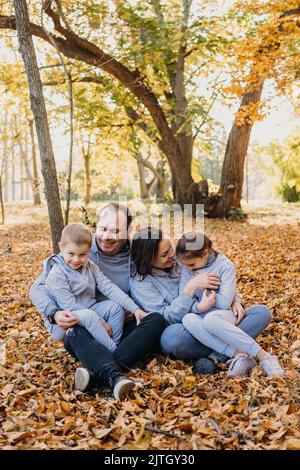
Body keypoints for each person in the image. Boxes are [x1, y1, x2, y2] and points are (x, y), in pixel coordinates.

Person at [29, 204, 167, 400]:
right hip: (80, 326)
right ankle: (115, 375)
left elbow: (112, 287)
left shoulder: (137, 254)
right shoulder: (79, 245)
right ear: (96, 226)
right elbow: (37, 289)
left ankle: (97, 371)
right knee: (76, 333)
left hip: (116, 321)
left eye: (115, 231)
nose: (106, 236)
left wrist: (136, 308)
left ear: (127, 232)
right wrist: (54, 313)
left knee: (156, 320)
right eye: (103, 228)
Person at [129, 227, 273, 375]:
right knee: (172, 338)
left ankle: (216, 357)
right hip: (185, 328)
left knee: (261, 313)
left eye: (170, 248)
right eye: (165, 254)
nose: (172, 255)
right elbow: (165, 318)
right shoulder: (141, 283)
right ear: (148, 259)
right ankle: (233, 351)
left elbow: (220, 282)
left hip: (214, 318)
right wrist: (190, 289)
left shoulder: (180, 259)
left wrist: (235, 300)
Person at [176, 231, 285, 378]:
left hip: (223, 315)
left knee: (212, 319)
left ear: (205, 253)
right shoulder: (188, 267)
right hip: (200, 314)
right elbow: (185, 296)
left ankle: (265, 357)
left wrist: (201, 287)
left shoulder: (225, 266)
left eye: (192, 264)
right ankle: (240, 354)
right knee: (187, 319)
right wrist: (198, 306)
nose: (188, 268)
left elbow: (223, 303)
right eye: (186, 265)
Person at [43, 222, 148, 352]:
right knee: (89, 317)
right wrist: (102, 322)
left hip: (90, 307)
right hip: (66, 316)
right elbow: (70, 305)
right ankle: (113, 351)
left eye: (82, 254)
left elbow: (108, 287)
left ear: (89, 250)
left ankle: (112, 348)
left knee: (115, 308)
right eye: (71, 253)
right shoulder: (57, 274)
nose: (76, 259)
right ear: (61, 247)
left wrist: (135, 308)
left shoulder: (89, 265)